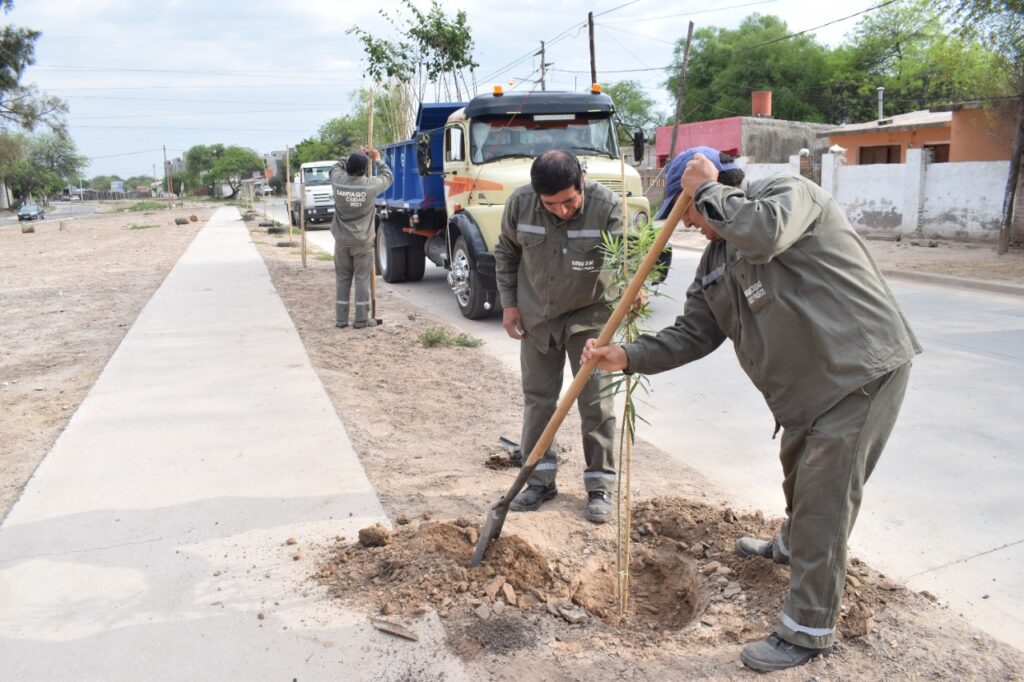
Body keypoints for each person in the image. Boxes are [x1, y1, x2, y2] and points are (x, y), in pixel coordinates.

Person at [582, 146, 921, 672]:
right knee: (798, 482)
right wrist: (626, 356)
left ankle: (807, 629)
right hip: (805, 394)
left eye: (688, 213)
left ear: (703, 195)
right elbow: (693, 334)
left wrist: (705, 190)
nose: (691, 226)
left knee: (824, 503)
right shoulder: (716, 263)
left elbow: (763, 234)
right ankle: (791, 546)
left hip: (859, 373)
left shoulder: (786, 196)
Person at [495, 150, 621, 524]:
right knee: (538, 401)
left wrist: (632, 285)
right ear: (537, 196)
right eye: (551, 205)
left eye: (569, 201)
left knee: (596, 404)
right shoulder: (520, 204)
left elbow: (630, 257)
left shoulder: (607, 206)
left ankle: (600, 486)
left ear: (581, 182)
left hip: (590, 319)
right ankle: (539, 480)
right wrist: (509, 304)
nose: (562, 211)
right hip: (537, 318)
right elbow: (506, 253)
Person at [329, 148, 393, 329]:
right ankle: (361, 319)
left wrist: (353, 153)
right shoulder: (370, 185)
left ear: (347, 166)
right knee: (362, 279)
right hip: (363, 242)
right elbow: (388, 176)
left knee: (342, 279)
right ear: (365, 170)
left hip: (341, 241)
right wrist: (377, 159)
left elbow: (335, 166)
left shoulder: (337, 181)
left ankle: (341, 320)